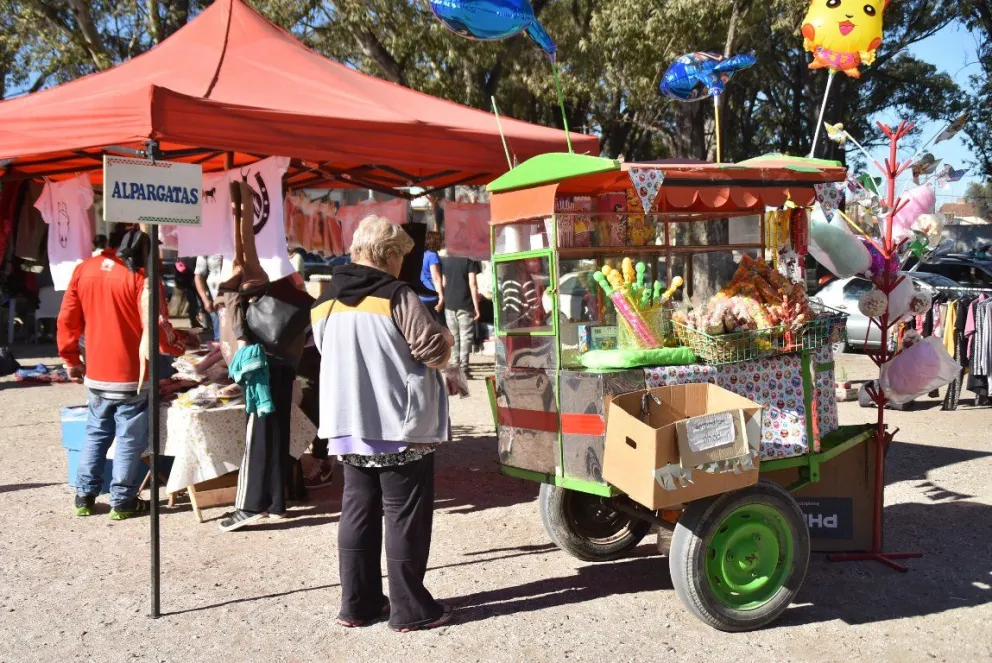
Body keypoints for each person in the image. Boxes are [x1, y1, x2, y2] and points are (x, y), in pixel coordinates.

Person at [312, 216, 454, 632]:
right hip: (398, 423)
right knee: (404, 514)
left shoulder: (324, 301)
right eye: (401, 256)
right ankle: (410, 609)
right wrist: (444, 339)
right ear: (389, 255)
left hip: (347, 422)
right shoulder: (397, 296)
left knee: (357, 511)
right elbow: (432, 351)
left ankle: (357, 604)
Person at [58, 226, 190, 520]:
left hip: (96, 371)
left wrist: (71, 359)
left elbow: (67, 319)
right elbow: (158, 327)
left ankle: (84, 496)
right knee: (130, 438)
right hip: (132, 373)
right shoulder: (141, 277)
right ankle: (122, 500)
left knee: (96, 432)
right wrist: (181, 345)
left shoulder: (84, 269)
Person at [441, 252, 481, 376]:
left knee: (454, 337)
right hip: (465, 303)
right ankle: (464, 368)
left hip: (449, 304)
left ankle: (455, 365)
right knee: (466, 337)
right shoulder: (469, 259)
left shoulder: (446, 260)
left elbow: (443, 283)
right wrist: (476, 306)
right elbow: (472, 284)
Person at [195, 254, 224, 342]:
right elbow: (198, 276)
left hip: (236, 298)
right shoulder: (206, 247)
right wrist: (205, 300)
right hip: (215, 300)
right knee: (220, 337)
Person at [419, 231, 444, 322]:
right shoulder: (433, 256)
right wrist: (441, 297)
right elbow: (436, 278)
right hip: (432, 296)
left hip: (421, 296)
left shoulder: (422, 254)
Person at [174, 257, 202, 328]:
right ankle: (195, 322)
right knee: (195, 304)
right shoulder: (193, 257)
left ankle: (195, 322)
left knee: (194, 304)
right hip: (191, 283)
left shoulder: (181, 257)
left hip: (188, 283)